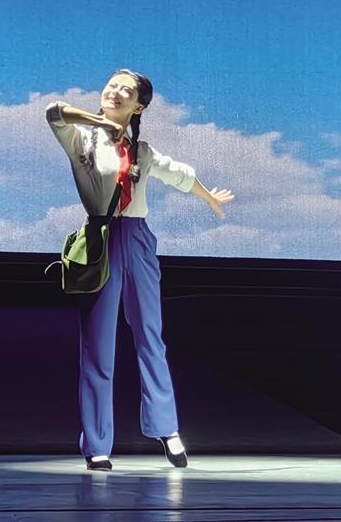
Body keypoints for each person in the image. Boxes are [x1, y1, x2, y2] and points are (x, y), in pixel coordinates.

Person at [46, 69, 234, 471]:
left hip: (138, 238)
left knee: (150, 335)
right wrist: (101, 123)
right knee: (98, 346)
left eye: (126, 91)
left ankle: (167, 428)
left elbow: (179, 174)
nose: (115, 92)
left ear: (139, 106)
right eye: (112, 86)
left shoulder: (142, 151)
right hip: (99, 240)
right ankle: (97, 444)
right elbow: (54, 112)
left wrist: (208, 197)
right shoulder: (82, 138)